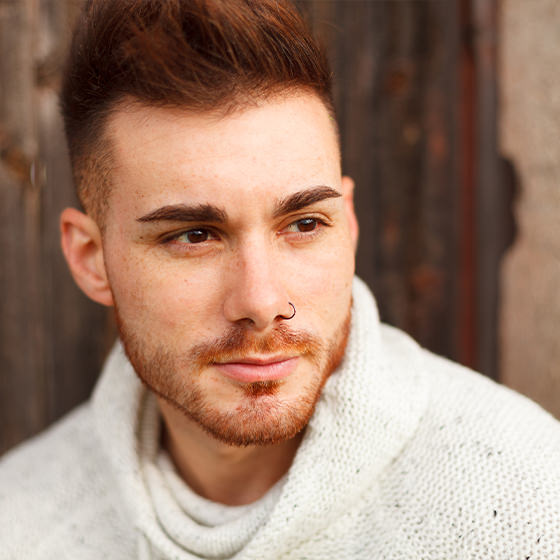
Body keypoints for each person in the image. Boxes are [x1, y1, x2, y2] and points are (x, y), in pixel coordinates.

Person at [1, 1, 559, 558]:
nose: (263, 302)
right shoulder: (21, 522)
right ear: (90, 258)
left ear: (350, 224)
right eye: (194, 235)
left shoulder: (523, 504)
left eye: (305, 223)